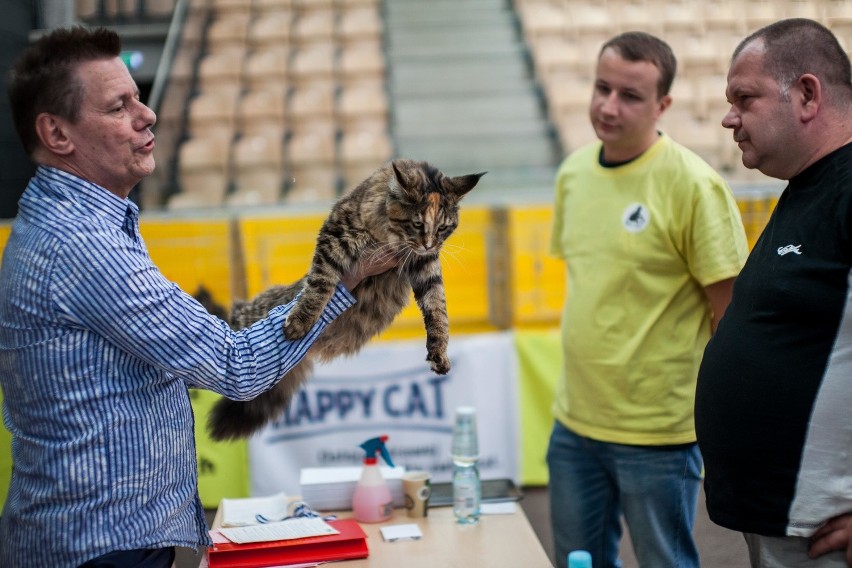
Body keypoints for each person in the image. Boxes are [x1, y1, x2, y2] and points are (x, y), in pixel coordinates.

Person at [0, 27, 397, 568]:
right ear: (57, 133)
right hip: (97, 552)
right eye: (119, 106)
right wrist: (343, 278)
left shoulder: (72, 222)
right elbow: (238, 366)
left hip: (93, 542)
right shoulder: (82, 244)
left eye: (138, 96)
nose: (148, 115)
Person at [547, 31, 749, 568]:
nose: (609, 106)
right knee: (577, 562)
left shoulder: (693, 185)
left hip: (658, 433)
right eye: (601, 87)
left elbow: (729, 317)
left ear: (663, 106)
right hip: (574, 424)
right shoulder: (571, 175)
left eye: (630, 96)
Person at [695, 18, 852, 568]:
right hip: (783, 526)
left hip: (824, 534)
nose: (728, 118)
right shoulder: (807, 188)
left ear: (807, 94)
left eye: (745, 98)